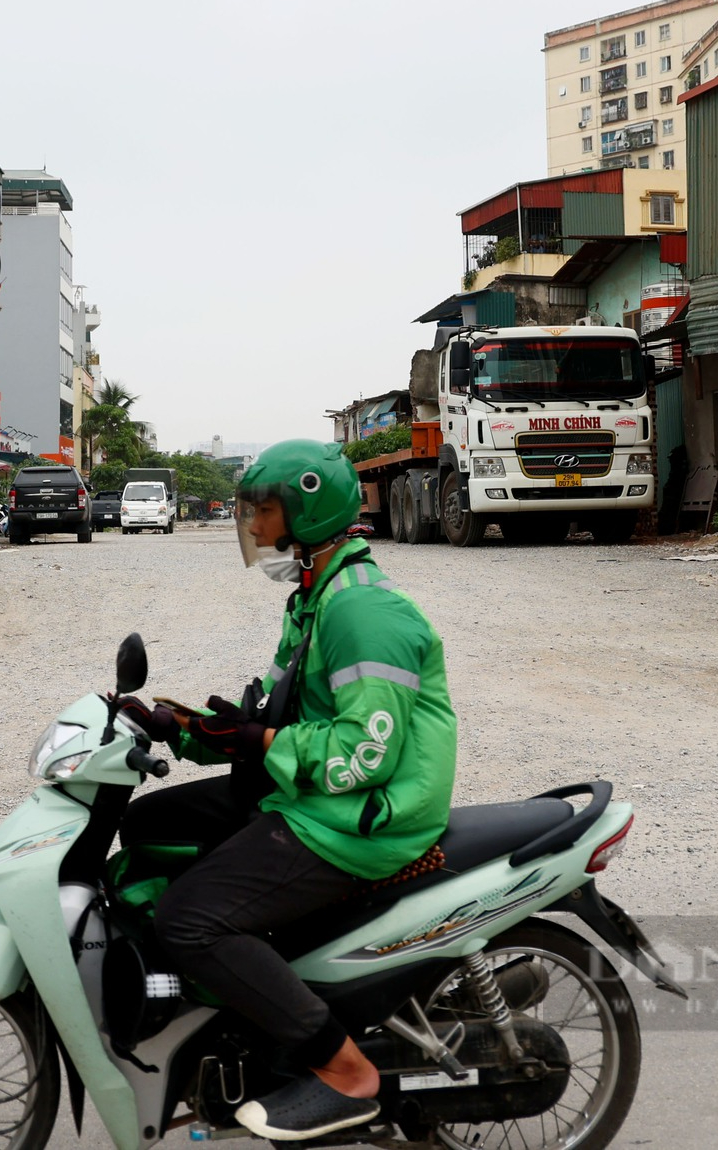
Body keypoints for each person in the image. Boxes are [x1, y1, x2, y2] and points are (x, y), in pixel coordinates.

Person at [118, 439, 458, 1141]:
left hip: (361, 817)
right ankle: (238, 1004)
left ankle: (345, 1074)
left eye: (263, 511)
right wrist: (181, 728)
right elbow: (279, 718)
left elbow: (366, 751)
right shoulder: (317, 594)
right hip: (315, 794)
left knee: (189, 917)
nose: (255, 527)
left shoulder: (363, 612)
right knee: (148, 827)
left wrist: (262, 744)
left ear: (308, 513)